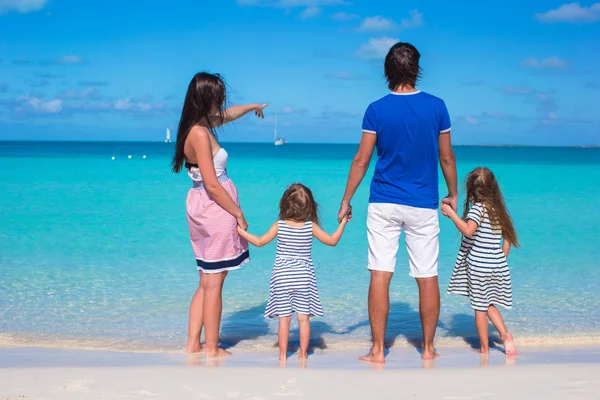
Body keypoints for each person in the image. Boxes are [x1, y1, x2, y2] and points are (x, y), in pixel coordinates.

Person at [337, 42, 458, 363]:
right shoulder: (437, 107)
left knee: (380, 272)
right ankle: (429, 349)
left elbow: (362, 160)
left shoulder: (376, 109)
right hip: (422, 203)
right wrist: (453, 192)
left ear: (387, 71)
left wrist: (346, 199)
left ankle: (378, 351)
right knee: (427, 274)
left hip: (383, 203)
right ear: (417, 68)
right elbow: (446, 157)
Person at [171, 71, 267, 357]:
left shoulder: (198, 125)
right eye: (218, 97)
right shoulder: (200, 133)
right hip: (215, 208)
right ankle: (212, 348)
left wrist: (252, 108)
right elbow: (212, 183)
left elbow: (228, 115)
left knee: (206, 280)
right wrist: (238, 213)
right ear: (206, 98)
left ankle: (193, 345)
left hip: (202, 206)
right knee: (214, 283)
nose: (222, 102)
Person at [237, 183, 348, 361]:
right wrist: (343, 222)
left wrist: (240, 232)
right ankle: (303, 355)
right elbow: (332, 241)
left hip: (282, 277)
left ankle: (282, 356)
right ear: (310, 206)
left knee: (284, 319)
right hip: (303, 278)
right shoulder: (310, 227)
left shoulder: (279, 225)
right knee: (303, 319)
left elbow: (258, 242)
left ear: (284, 204)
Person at [442, 167, 518, 357]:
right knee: (488, 302)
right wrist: (500, 258)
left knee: (479, 308)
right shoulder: (498, 211)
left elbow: (468, 230)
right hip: (497, 265)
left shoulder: (478, 210)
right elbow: (508, 239)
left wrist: (451, 214)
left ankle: (484, 349)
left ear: (470, 189)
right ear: (493, 188)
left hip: (479, 267)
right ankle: (505, 335)